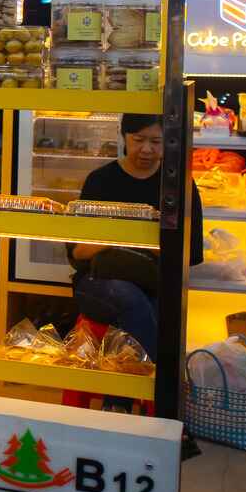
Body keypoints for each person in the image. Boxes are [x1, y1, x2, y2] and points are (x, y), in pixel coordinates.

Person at [67, 114, 204, 369]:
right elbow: (77, 252)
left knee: (151, 301)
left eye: (156, 141)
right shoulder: (100, 180)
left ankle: (120, 399)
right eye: (138, 139)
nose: (147, 149)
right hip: (97, 282)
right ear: (124, 137)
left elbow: (192, 253)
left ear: (169, 143)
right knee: (131, 297)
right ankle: (159, 382)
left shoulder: (179, 185)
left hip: (154, 282)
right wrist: (120, 241)